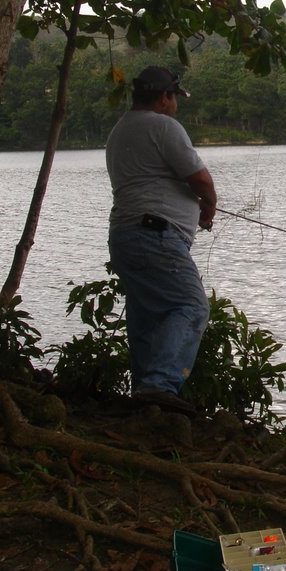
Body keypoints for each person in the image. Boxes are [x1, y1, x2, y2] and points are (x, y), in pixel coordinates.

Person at [105, 65, 217, 416]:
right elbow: (199, 178)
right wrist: (209, 207)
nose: (175, 105)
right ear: (164, 97)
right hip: (155, 234)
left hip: (125, 235)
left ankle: (145, 399)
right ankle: (159, 385)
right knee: (191, 306)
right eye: (174, 98)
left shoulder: (120, 129)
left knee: (146, 316)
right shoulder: (163, 126)